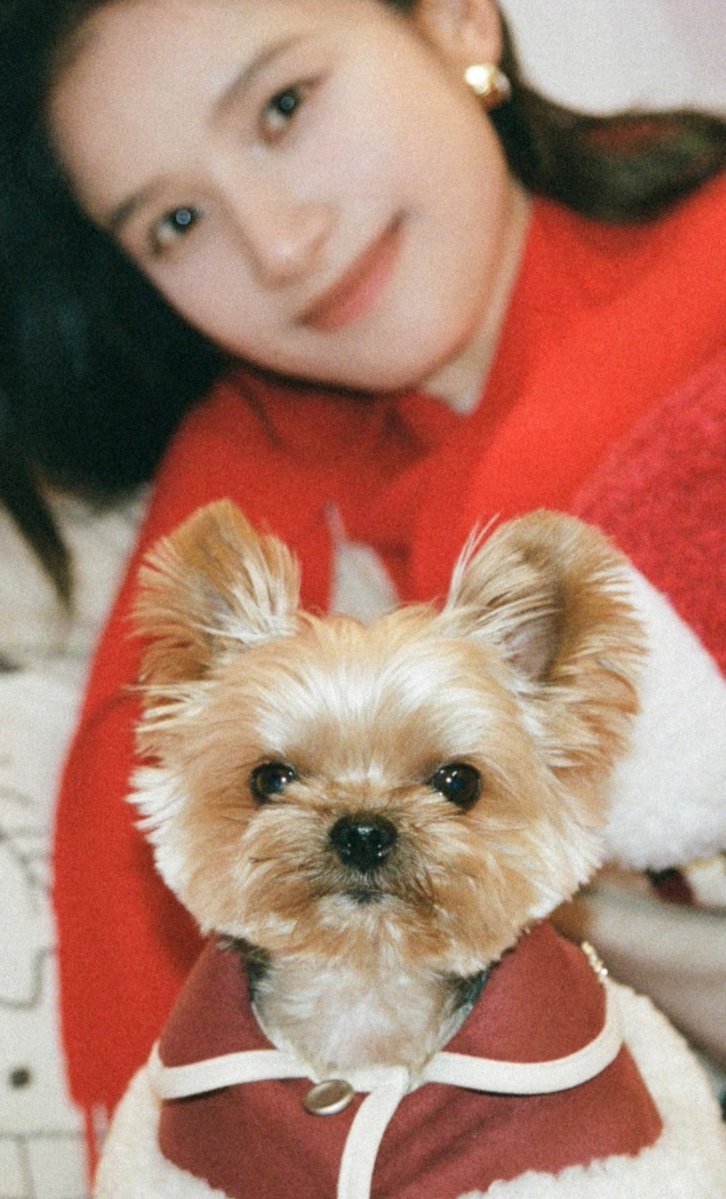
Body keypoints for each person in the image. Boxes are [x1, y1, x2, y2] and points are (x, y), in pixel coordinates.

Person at [1, 0, 724, 1173]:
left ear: (457, 22)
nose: (279, 243)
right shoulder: (240, 486)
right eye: (177, 220)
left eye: (284, 107)